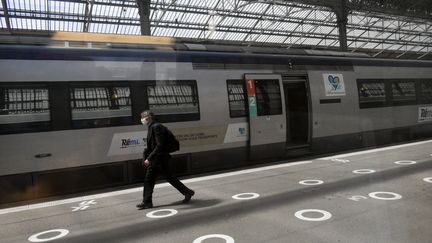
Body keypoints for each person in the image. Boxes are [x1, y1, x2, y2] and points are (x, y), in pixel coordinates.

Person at [137, 110, 194, 210]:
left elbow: (160, 145)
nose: (142, 120)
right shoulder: (152, 127)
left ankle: (147, 202)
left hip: (159, 159)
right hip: (159, 159)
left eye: (143, 117)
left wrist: (149, 158)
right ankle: (188, 192)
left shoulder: (156, 127)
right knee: (169, 178)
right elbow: (154, 145)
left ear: (148, 118)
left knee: (149, 180)